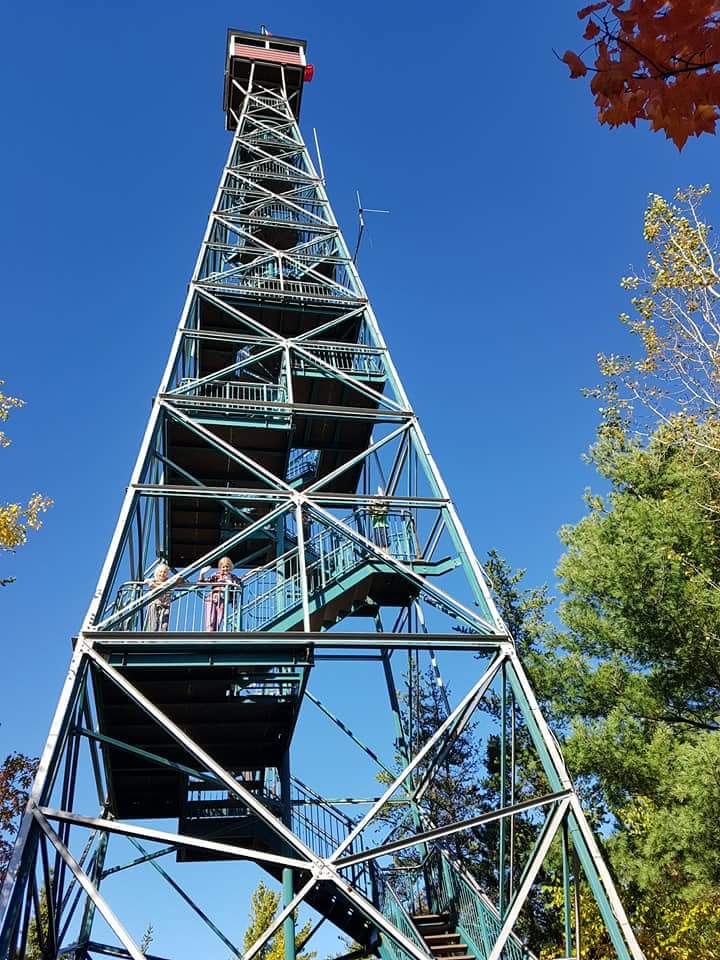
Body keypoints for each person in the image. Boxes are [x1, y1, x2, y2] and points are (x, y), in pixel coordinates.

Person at [199, 556, 241, 631]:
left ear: (230, 567)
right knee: (210, 619)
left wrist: (254, 571)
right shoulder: (216, 575)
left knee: (219, 618)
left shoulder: (233, 577)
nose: (225, 569)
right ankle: (209, 634)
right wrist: (202, 574)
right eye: (223, 567)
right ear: (220, 567)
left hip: (223, 600)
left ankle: (214, 635)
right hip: (212, 598)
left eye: (227, 566)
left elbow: (242, 580)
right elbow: (202, 584)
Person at [143, 563, 180, 631]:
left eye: (165, 572)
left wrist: (153, 585)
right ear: (157, 573)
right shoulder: (154, 580)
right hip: (154, 604)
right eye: (161, 571)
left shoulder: (168, 582)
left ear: (167, 574)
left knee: (164, 625)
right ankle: (151, 638)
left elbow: (178, 582)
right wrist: (151, 583)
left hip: (165, 606)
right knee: (153, 625)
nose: (162, 573)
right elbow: (146, 581)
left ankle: (162, 637)